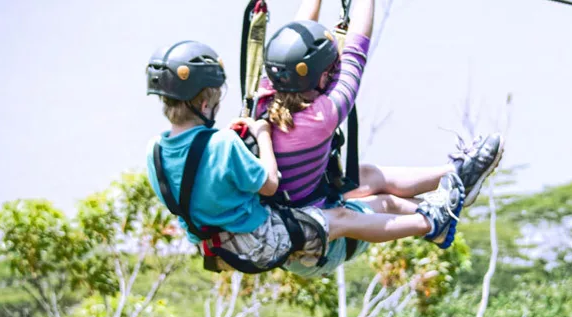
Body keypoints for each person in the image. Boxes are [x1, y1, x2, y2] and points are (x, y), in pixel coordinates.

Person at [143, 40, 466, 275]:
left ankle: (445, 192)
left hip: (220, 247)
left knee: (368, 196)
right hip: (258, 240)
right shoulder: (223, 144)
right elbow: (269, 185)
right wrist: (264, 137)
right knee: (342, 218)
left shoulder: (154, 151)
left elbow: (202, 187)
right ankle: (430, 221)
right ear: (204, 104)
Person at [249, 0, 505, 276]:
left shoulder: (264, 96)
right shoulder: (322, 116)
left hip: (292, 219)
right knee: (385, 202)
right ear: (322, 77)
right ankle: (439, 215)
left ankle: (455, 176)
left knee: (367, 175)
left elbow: (296, 31)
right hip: (316, 245)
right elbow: (357, 46)